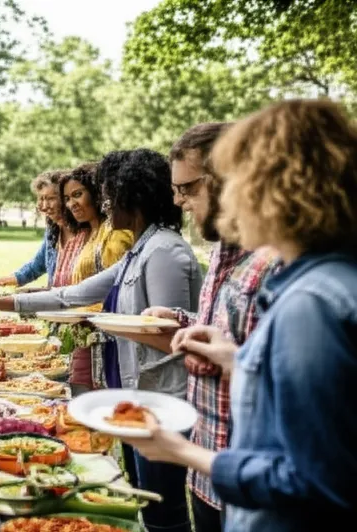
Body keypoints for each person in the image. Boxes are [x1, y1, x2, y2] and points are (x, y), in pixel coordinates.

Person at [122, 99, 357, 532]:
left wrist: (180, 452)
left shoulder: (313, 301)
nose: (229, 199)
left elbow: (314, 479)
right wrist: (237, 360)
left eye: (237, 182)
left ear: (278, 188)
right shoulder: (328, 280)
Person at [0, 148, 201, 532]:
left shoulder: (165, 252)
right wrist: (2, 302)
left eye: (108, 195)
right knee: (141, 498)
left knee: (164, 511)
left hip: (163, 402)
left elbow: (171, 339)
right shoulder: (139, 249)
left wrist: (108, 322)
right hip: (134, 396)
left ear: (132, 195)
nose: (104, 205)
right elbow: (72, 294)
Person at [131, 124, 279, 532]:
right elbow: (228, 329)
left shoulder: (277, 262)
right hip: (205, 467)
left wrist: (233, 361)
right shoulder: (219, 251)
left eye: (188, 188)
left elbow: (294, 379)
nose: (177, 201)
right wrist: (182, 321)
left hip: (250, 483)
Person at [59, 162, 134, 394]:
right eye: (68, 198)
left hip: (103, 339)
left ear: (97, 194)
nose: (71, 203)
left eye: (78, 194)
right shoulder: (91, 233)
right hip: (84, 334)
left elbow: (117, 289)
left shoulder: (115, 232)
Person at [0, 170, 64, 289]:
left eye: (51, 199)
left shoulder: (81, 232)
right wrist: (4, 281)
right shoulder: (52, 231)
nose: (44, 206)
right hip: (56, 303)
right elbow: (37, 265)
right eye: (41, 199)